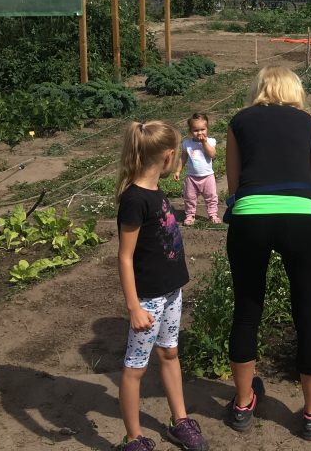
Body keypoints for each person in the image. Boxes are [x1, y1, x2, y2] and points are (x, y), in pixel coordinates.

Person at [224, 67, 311, 441]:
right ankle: (310, 414)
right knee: (307, 312)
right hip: (301, 217)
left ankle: (242, 405)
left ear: (259, 89)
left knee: (246, 310)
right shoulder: (309, 125)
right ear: (294, 90)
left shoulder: (238, 122)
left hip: (251, 215)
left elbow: (234, 185)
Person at [115, 120, 207, 451]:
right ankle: (133, 438)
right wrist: (134, 307)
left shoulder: (155, 192)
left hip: (171, 292)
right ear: (169, 156)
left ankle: (180, 421)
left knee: (170, 353)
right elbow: (125, 257)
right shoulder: (134, 200)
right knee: (135, 368)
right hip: (148, 300)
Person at [174, 112, 219, 225]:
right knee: (189, 197)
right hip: (191, 177)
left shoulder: (210, 141)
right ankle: (190, 215)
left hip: (208, 176)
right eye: (195, 130)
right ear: (190, 131)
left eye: (202, 129)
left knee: (211, 197)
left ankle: (213, 214)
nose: (199, 133)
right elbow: (183, 158)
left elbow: (212, 154)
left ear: (207, 129)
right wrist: (178, 170)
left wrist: (204, 143)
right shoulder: (187, 143)